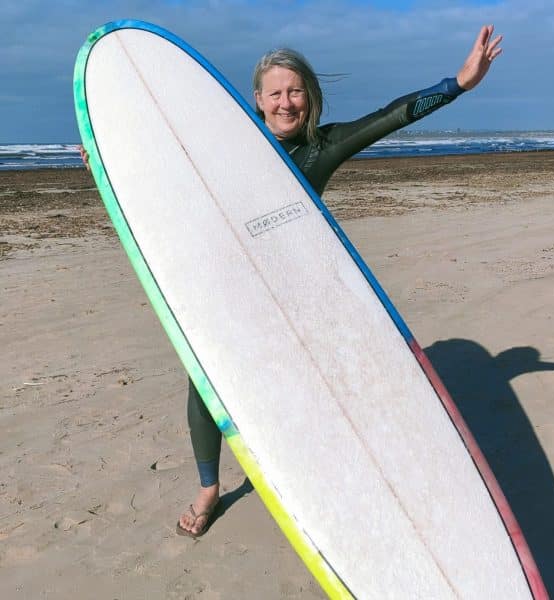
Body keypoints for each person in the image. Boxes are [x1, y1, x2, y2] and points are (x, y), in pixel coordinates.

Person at [81, 25, 503, 537]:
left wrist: (458, 83)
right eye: (276, 92)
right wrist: (107, 163)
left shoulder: (323, 147)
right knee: (204, 381)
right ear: (256, 99)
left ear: (311, 98)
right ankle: (210, 488)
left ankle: (329, 469)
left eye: (296, 91)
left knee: (312, 381)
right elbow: (162, 178)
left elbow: (390, 115)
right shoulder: (220, 145)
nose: (286, 103)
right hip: (227, 283)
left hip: (296, 287)